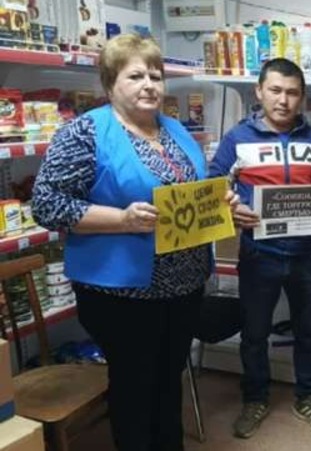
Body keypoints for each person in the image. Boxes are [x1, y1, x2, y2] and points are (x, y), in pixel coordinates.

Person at [31, 34, 237, 451]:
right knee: (135, 386)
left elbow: (191, 191)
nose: (149, 85)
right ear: (111, 84)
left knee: (169, 379)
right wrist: (121, 220)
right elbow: (47, 205)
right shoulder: (85, 132)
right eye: (136, 76)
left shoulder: (173, 128)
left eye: (156, 76)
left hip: (183, 286)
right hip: (121, 292)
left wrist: (220, 201)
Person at [209, 58, 311, 439]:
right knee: (255, 333)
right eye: (275, 90)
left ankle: (308, 396)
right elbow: (213, 186)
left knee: (308, 331)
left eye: (292, 93)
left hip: (309, 253)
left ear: (302, 97)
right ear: (259, 92)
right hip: (259, 253)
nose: (283, 100)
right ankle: (255, 398)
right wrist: (233, 207)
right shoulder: (237, 138)